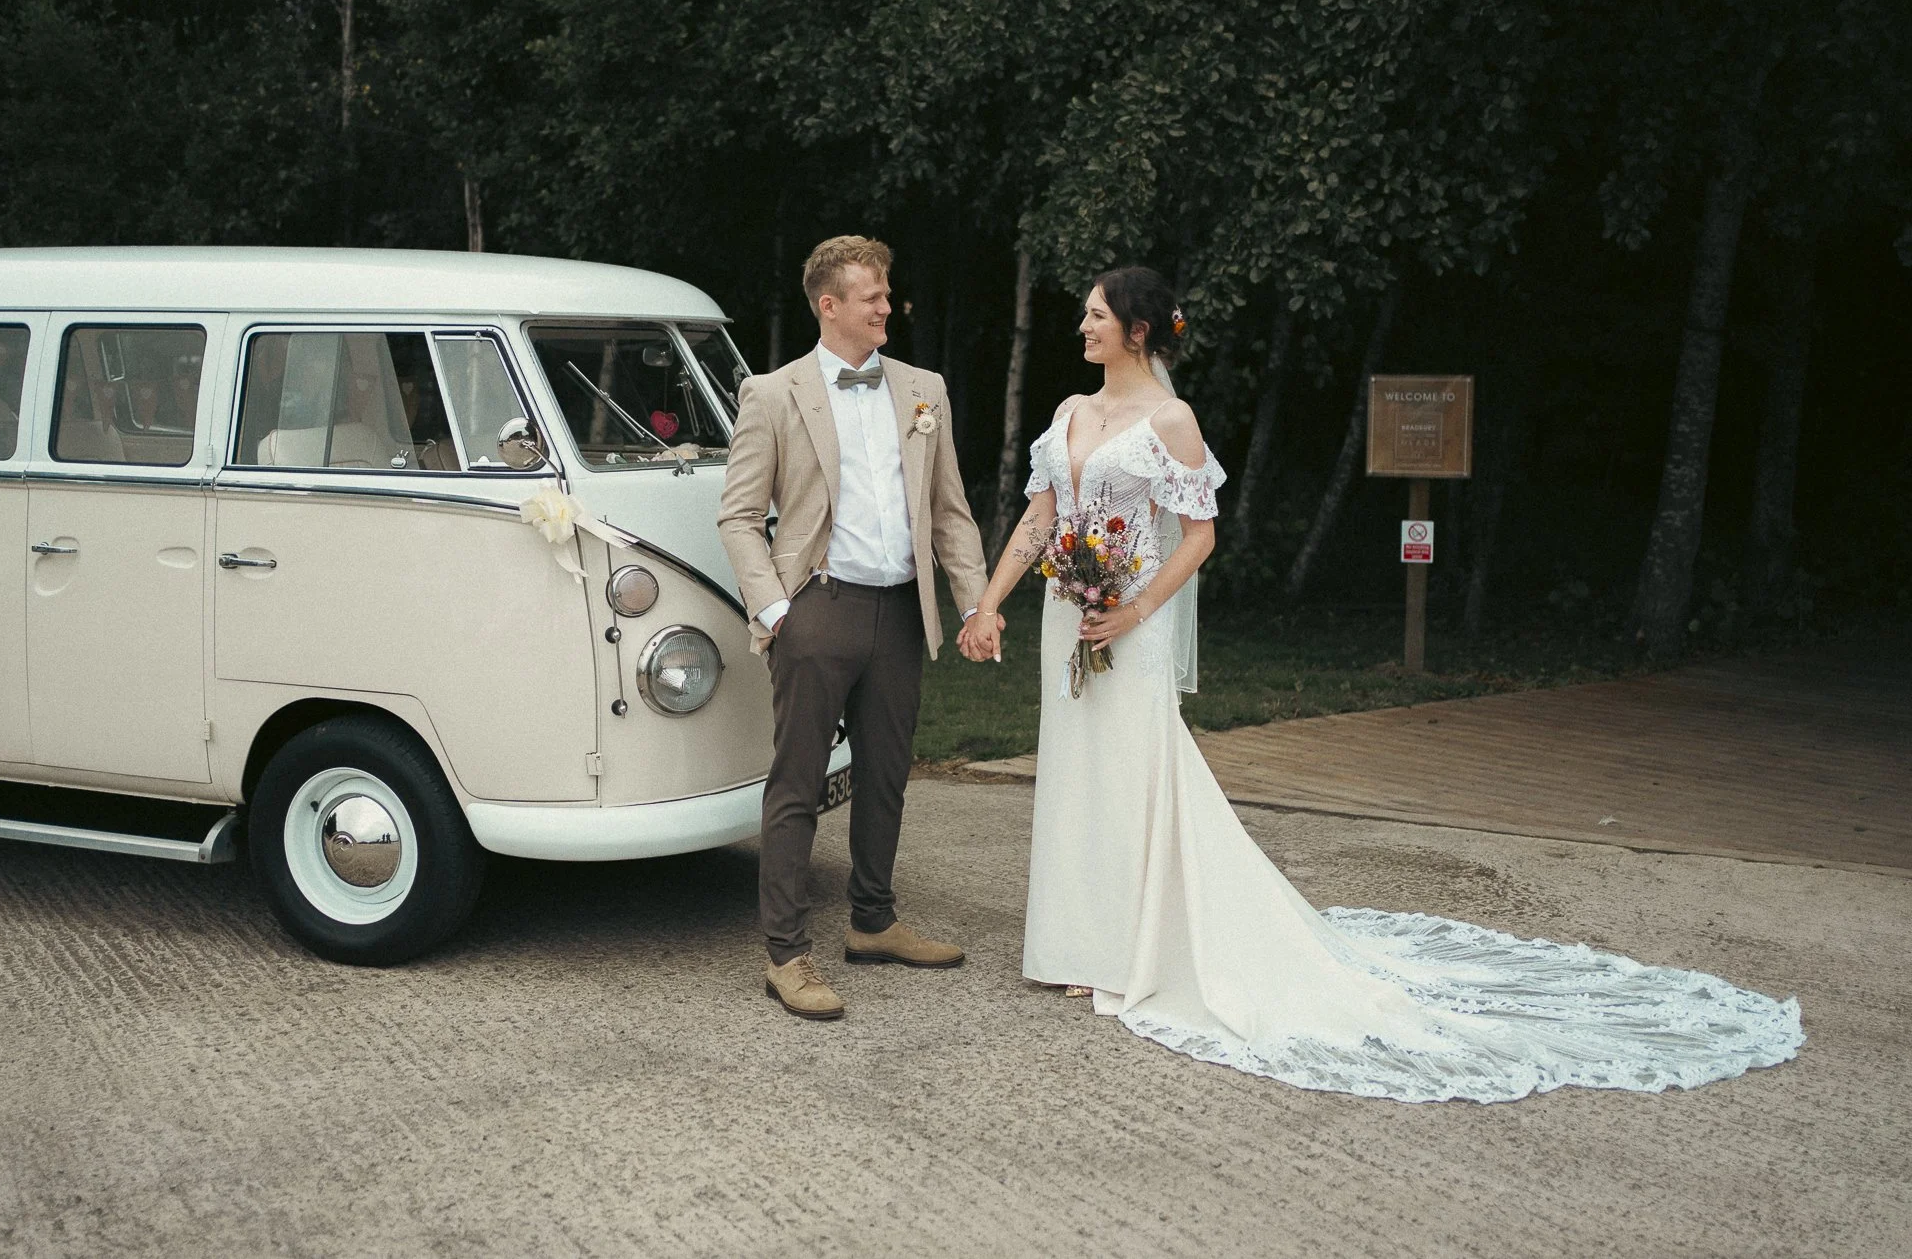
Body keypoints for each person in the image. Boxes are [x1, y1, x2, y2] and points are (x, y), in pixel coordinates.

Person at [958, 266, 1804, 1102]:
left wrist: (1136, 609)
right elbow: (1041, 518)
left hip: (1128, 627)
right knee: (1076, 777)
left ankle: (1127, 951)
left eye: (1097, 315)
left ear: (1137, 331)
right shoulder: (1070, 413)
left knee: (1134, 779)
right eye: (1083, 317)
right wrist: (991, 604)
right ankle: (1073, 943)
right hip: (1070, 619)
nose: (1083, 327)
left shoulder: (1170, 420)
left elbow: (1201, 535)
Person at [718, 235, 993, 1020]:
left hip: (902, 612)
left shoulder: (923, 389)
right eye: (871, 295)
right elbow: (738, 515)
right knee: (797, 783)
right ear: (828, 304)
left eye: (887, 292)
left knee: (886, 775)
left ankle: (873, 921)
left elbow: (949, 510)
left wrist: (973, 603)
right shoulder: (773, 394)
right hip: (818, 608)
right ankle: (786, 953)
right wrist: (778, 610)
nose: (886, 306)